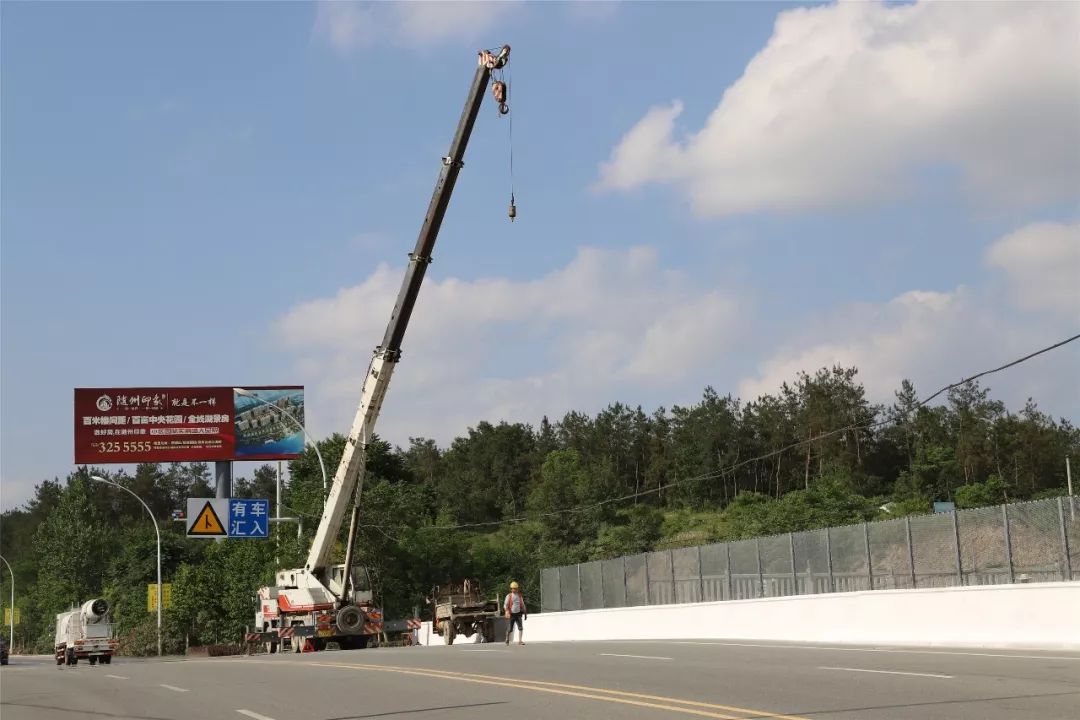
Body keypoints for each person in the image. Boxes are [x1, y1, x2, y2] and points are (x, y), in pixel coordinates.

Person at [503, 581, 527, 645]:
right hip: (512, 614)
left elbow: (523, 605)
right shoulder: (509, 596)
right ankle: (507, 638)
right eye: (513, 588)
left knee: (520, 628)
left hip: (518, 614)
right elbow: (505, 605)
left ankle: (520, 641)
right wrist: (506, 611)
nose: (515, 590)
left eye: (516, 588)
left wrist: (525, 613)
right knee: (510, 629)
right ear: (511, 589)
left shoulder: (519, 596)